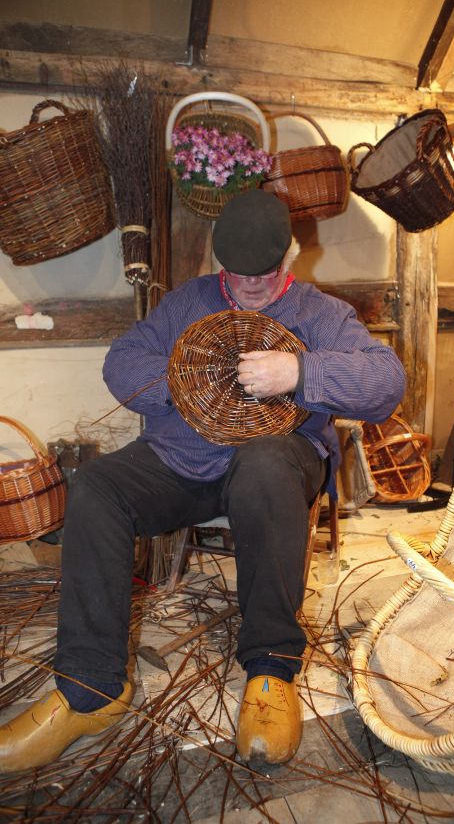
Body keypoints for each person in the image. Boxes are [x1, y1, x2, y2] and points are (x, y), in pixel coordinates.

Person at [0, 189, 405, 773]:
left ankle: (270, 671)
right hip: (185, 461)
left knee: (264, 463)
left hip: (276, 466)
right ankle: (91, 690)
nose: (251, 285)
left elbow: (385, 383)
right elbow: (122, 361)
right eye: (237, 273)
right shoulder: (188, 302)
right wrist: (183, 378)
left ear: (289, 257)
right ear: (220, 262)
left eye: (264, 273)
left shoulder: (320, 314)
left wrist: (300, 371)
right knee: (97, 485)